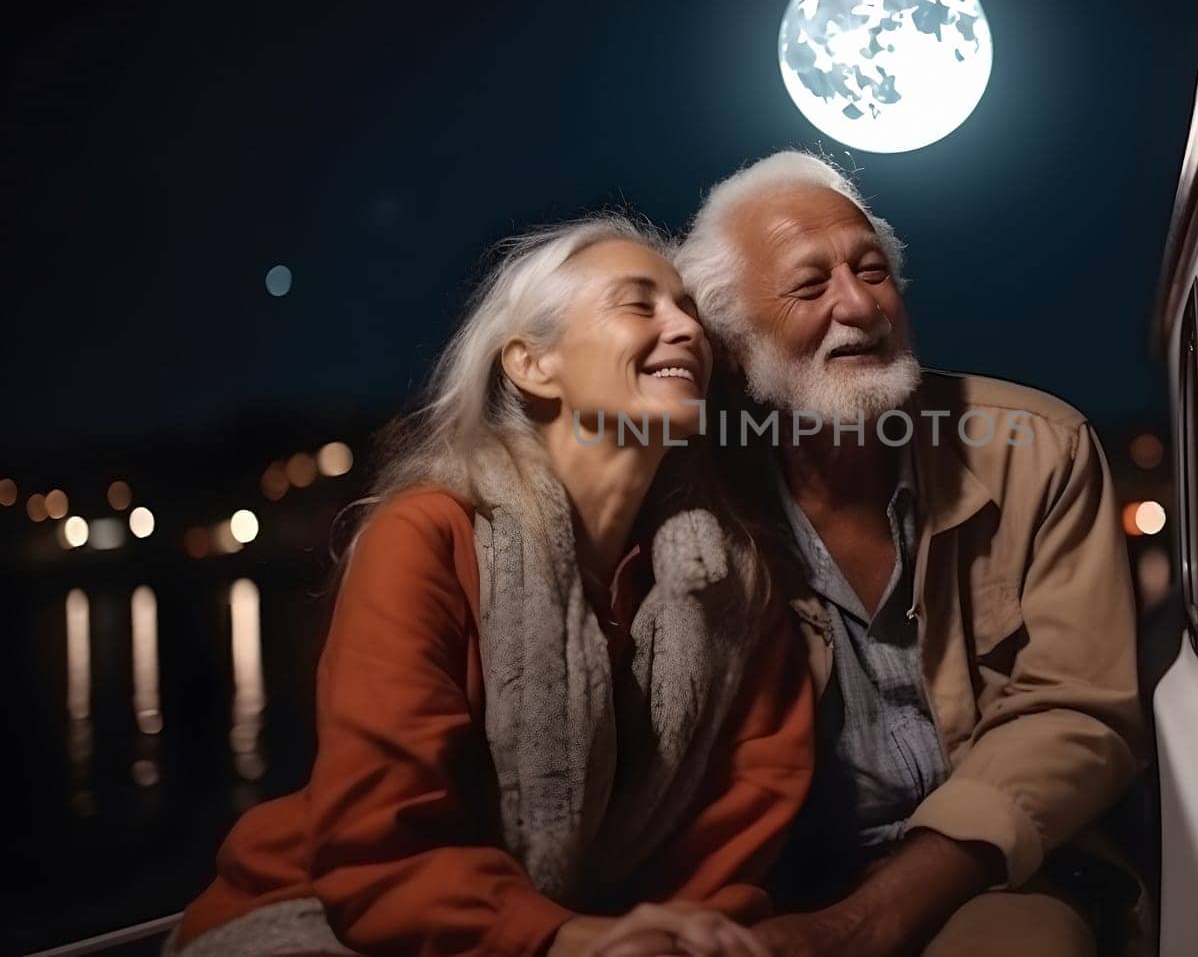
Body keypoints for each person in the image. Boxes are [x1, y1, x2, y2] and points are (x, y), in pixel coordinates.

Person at [167, 215, 814, 957]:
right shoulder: (427, 536)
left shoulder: (735, 583)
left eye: (690, 309)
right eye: (640, 304)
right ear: (533, 364)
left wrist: (684, 934)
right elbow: (382, 837)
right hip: (332, 917)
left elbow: (747, 810)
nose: (687, 328)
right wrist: (567, 938)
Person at [674, 152, 1148, 956]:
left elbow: (1084, 709)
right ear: (730, 333)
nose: (860, 304)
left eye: (873, 270)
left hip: (1001, 870)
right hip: (773, 882)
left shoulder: (1039, 448)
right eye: (809, 284)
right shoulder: (697, 489)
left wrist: (871, 915)